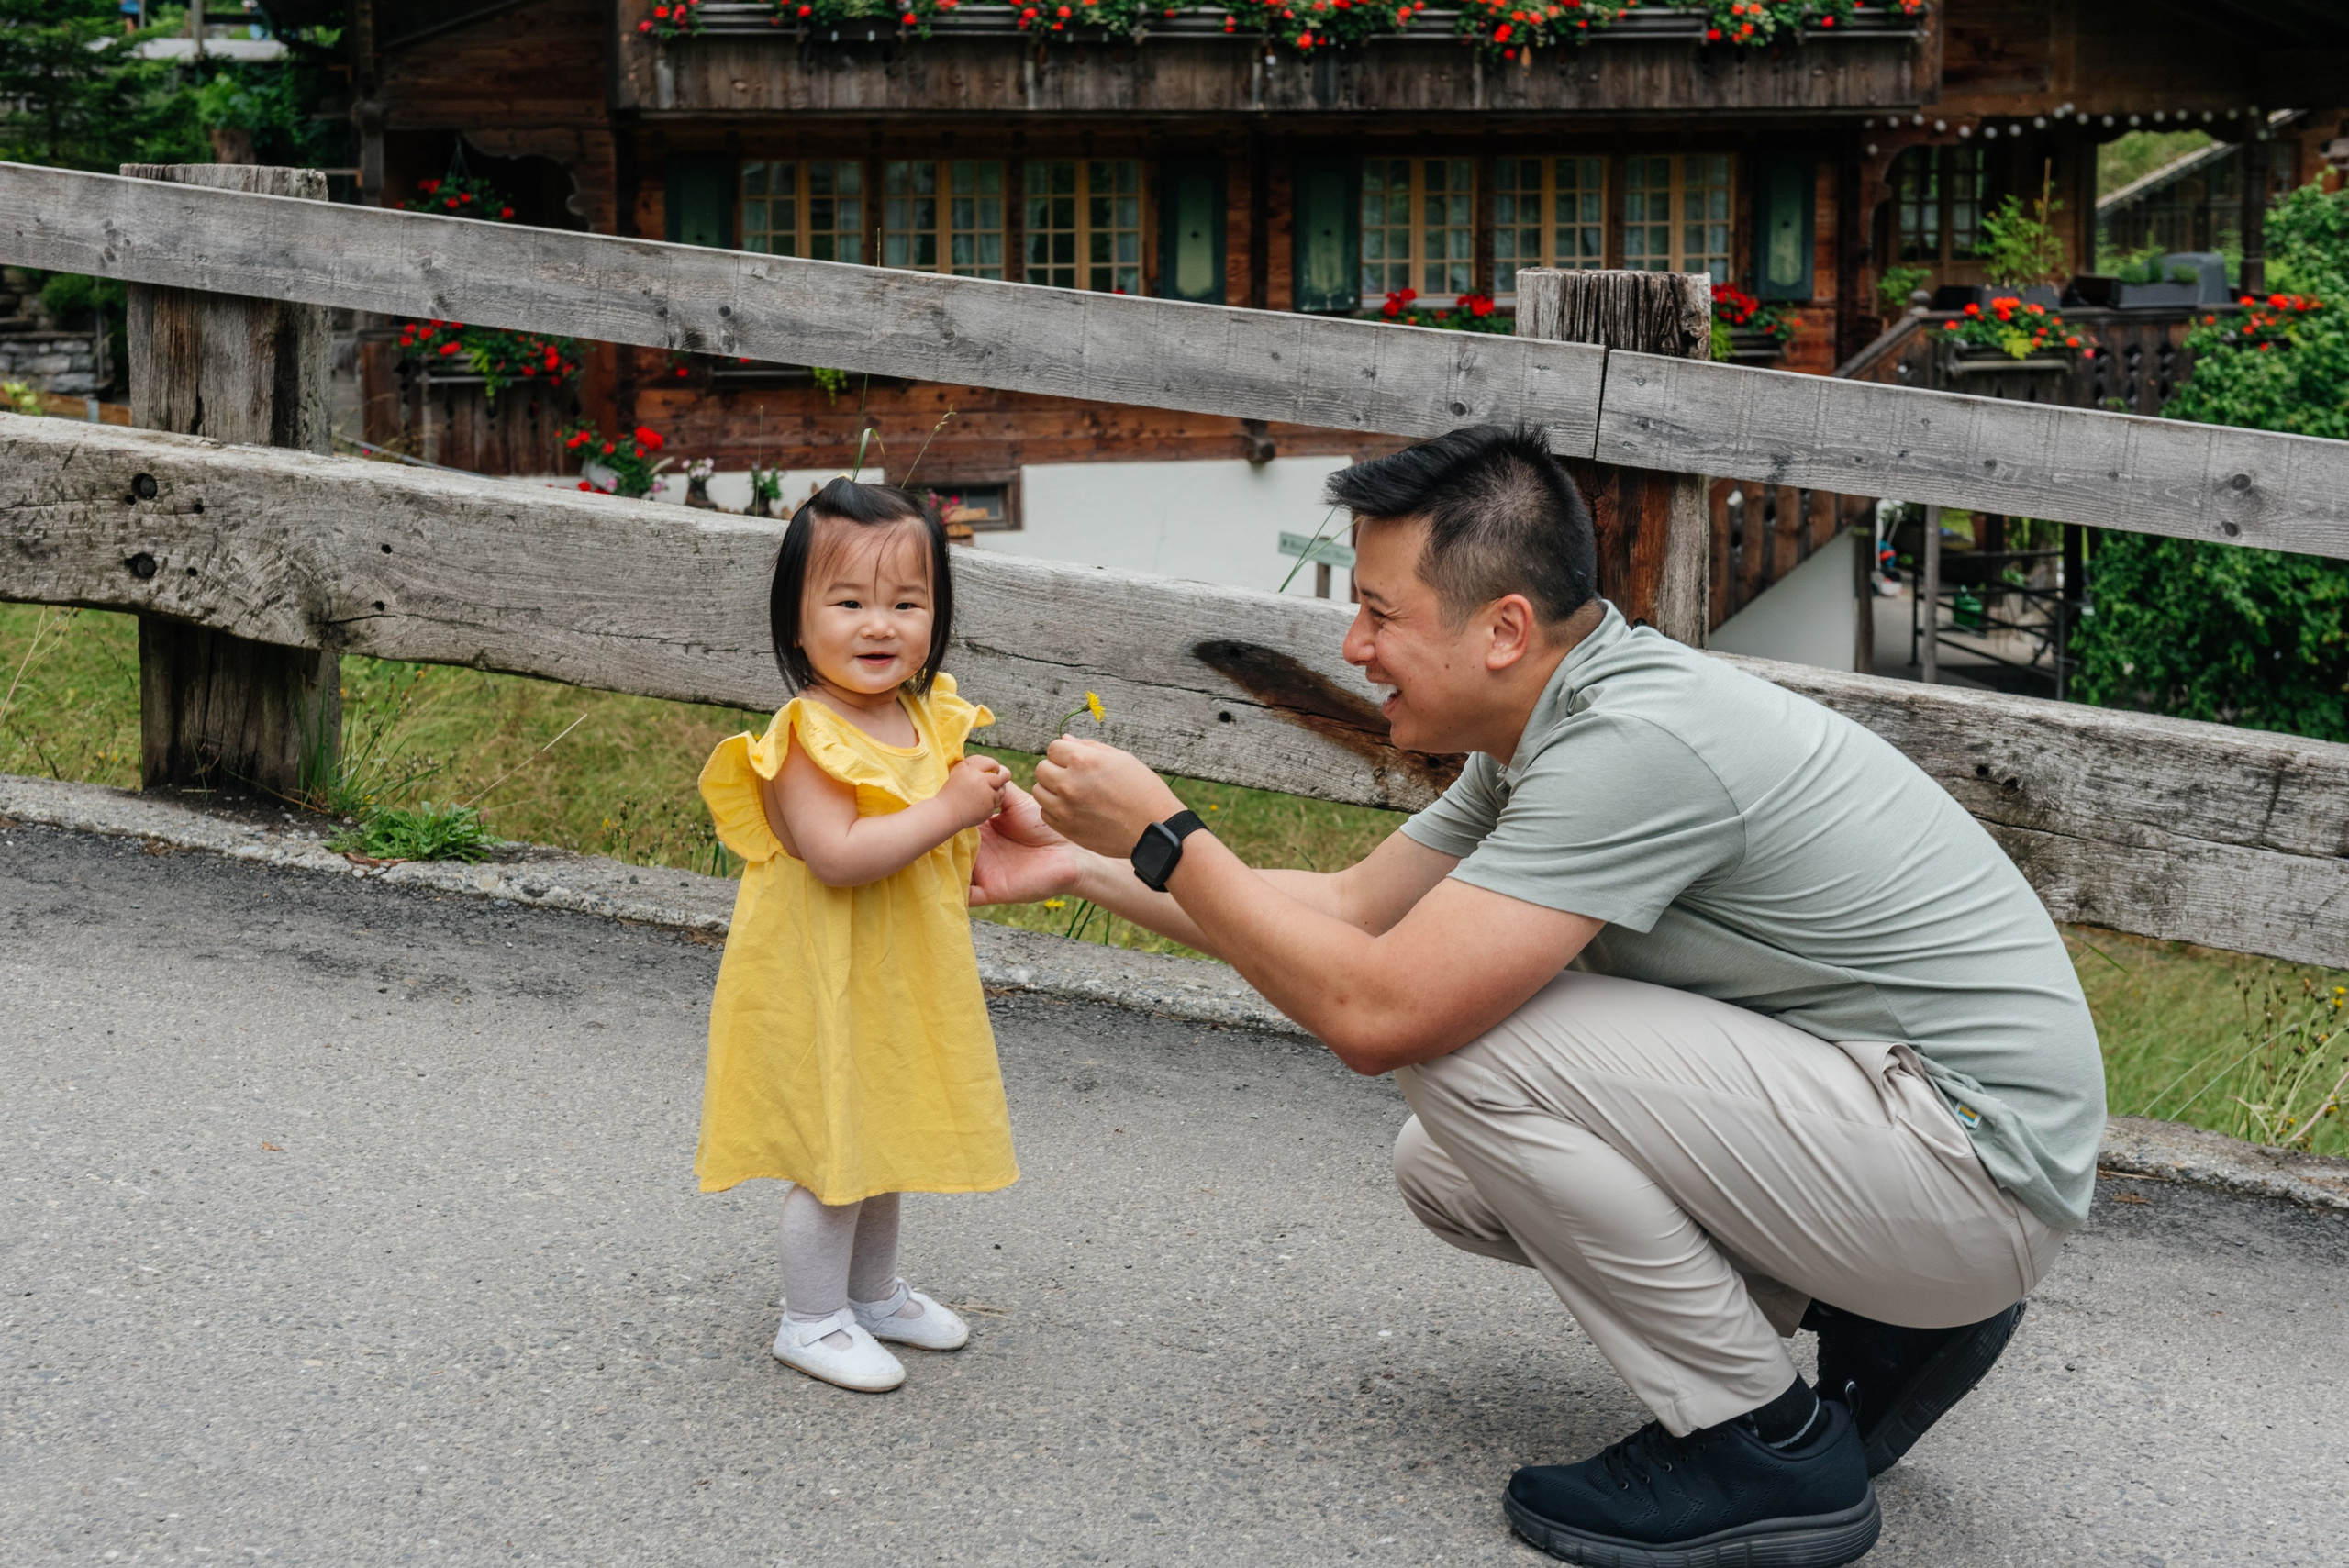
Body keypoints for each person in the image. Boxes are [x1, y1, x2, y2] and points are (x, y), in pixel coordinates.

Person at [970, 426, 2103, 1567]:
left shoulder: (1632, 745)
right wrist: (1077, 868)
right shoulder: (1549, 724)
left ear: (1504, 627)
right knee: (1446, 1166)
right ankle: (1880, 1318)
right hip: (1919, 1146)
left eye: (1378, 611)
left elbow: (1379, 1012)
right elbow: (1355, 907)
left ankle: (1758, 1445)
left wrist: (1172, 834)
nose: (1353, 644)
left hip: (1967, 1165)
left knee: (1464, 1046)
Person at [698, 477, 1019, 1393]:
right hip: (822, 973)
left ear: (936, 615)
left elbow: (950, 820)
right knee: (834, 1148)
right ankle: (810, 1317)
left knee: (886, 1132)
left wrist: (988, 803)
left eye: (905, 602)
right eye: (847, 602)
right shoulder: (806, 734)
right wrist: (952, 802)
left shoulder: (927, 715)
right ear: (796, 622)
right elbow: (837, 853)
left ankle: (871, 1293)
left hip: (899, 971)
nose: (879, 625)